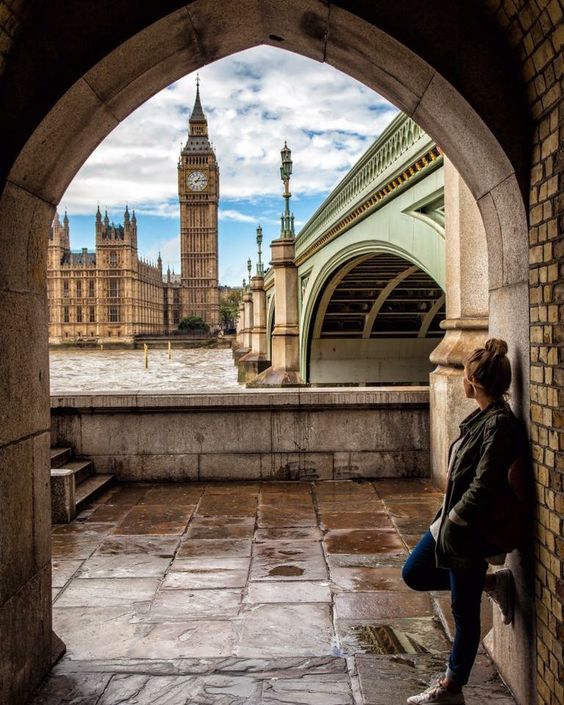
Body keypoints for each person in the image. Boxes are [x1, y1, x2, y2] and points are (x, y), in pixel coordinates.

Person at [402, 338, 527, 705]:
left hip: (466, 531)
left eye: (465, 375)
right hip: (452, 525)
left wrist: (455, 521)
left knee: (464, 612)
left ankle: (451, 688)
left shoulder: (499, 425)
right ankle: (490, 581)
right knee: (414, 572)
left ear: (472, 381)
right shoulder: (485, 419)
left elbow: (484, 486)